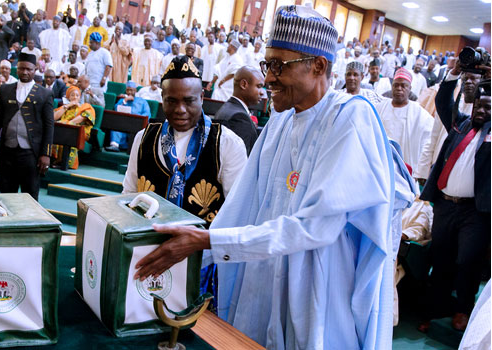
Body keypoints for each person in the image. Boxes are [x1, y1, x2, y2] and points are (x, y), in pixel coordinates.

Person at [133, 6, 400, 349]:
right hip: (261, 279)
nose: (269, 78)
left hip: (317, 289)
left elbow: (314, 228)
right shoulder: (280, 122)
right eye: (267, 65)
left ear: (318, 65)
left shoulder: (350, 119)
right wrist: (196, 250)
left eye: (279, 65)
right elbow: (240, 209)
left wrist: (207, 243)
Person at [121, 55, 246, 226]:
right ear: (162, 97)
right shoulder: (143, 138)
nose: (180, 110)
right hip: (149, 245)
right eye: (171, 101)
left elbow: (237, 210)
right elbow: (129, 195)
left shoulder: (227, 143)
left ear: (201, 97)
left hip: (203, 250)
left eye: (189, 101)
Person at [418, 64, 490, 333]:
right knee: (441, 258)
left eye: (488, 108)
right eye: (479, 107)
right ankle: (434, 309)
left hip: (475, 212)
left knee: (467, 262)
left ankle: (462, 309)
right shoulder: (460, 124)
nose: (482, 111)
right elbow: (443, 101)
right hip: (446, 205)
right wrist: (454, 74)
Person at [0, 53, 53, 201]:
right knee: (6, 194)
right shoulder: (5, 90)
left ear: (35, 69)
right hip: (7, 151)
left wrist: (46, 154)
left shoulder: (45, 94)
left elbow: (49, 127)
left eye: (28, 69)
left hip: (30, 153)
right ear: (17, 69)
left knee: (30, 195)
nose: (25, 72)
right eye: (21, 68)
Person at [416, 68, 481, 182]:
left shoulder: (484, 114)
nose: (468, 82)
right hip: (438, 172)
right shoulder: (452, 107)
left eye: (473, 78)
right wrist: (423, 171)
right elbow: (433, 138)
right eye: (465, 79)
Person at [375, 68, 433, 174]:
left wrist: (421, 170)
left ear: (410, 88)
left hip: (406, 167)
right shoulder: (380, 108)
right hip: (380, 165)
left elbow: (428, 141)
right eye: (396, 85)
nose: (399, 89)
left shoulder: (419, 113)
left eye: (403, 86)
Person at [213, 66, 262, 155]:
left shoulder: (227, 107)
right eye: (259, 86)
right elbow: (240, 160)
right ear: (243, 84)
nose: (262, 92)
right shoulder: (240, 118)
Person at [52, 85, 95, 169]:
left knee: (66, 131)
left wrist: (65, 124)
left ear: (80, 97)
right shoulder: (64, 107)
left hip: (79, 131)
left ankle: (65, 162)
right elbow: (53, 117)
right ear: (68, 97)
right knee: (59, 130)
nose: (75, 97)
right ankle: (55, 160)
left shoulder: (86, 106)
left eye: (77, 95)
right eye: (72, 95)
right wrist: (67, 106)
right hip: (64, 128)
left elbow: (80, 119)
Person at [105, 81, 151, 152]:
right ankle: (114, 145)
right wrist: (125, 101)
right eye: (128, 90)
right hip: (122, 123)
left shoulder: (142, 102)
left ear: (135, 91)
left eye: (131, 90)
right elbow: (116, 109)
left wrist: (137, 119)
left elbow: (147, 115)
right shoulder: (122, 100)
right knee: (116, 122)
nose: (129, 92)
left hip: (136, 124)